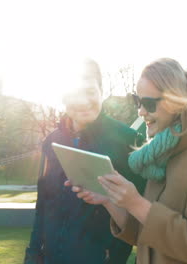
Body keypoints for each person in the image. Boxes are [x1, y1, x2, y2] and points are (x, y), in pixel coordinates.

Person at [70, 58, 187, 263]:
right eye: (138, 101)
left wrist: (136, 202)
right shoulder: (160, 153)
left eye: (149, 104)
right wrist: (110, 201)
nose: (141, 111)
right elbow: (148, 235)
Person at [24, 58, 146, 264]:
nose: (83, 101)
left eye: (90, 91)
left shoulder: (129, 141)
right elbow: (43, 206)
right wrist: (32, 256)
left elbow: (141, 221)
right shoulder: (51, 142)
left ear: (101, 91)